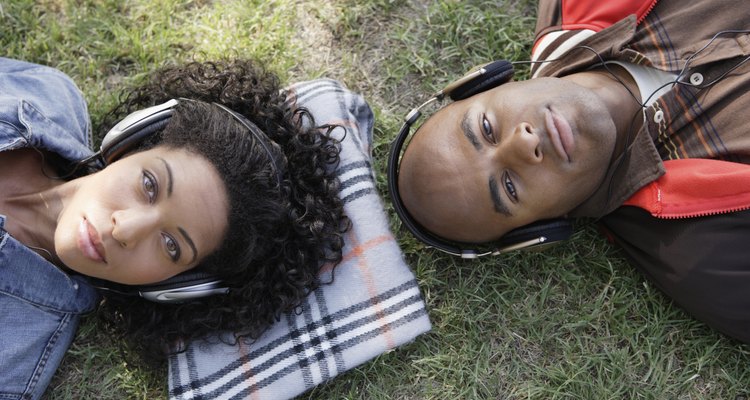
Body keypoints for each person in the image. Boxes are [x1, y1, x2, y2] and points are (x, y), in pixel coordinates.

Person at [392, 0, 750, 343]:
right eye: (509, 188)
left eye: (487, 128)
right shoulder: (710, 256)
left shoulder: (578, 8)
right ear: (541, 229)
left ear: (487, 82)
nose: (523, 144)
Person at [0, 56, 357, 399]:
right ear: (129, 143)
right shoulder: (43, 94)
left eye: (171, 246)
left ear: (177, 286)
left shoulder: (11, 360)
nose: (125, 230)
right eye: (149, 185)